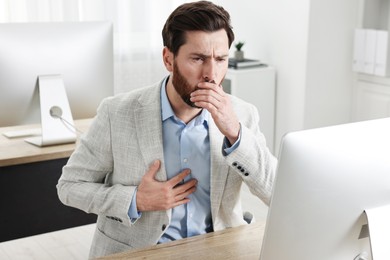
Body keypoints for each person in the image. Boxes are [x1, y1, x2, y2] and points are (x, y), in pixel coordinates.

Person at [57, 1, 277, 258]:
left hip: (217, 251)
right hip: (138, 252)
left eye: (220, 59)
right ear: (168, 59)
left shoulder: (243, 114)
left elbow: (276, 192)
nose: (211, 74)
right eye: (198, 59)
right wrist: (135, 200)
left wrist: (235, 134)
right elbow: (69, 186)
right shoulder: (116, 113)